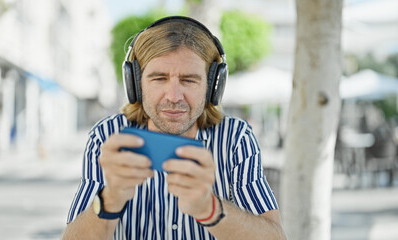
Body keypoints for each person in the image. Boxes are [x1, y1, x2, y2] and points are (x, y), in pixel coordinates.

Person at [62, 16, 286, 240]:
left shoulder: (236, 139)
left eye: (189, 80)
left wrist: (210, 209)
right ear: (136, 84)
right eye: (159, 78)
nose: (174, 96)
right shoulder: (107, 136)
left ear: (212, 87)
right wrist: (111, 198)